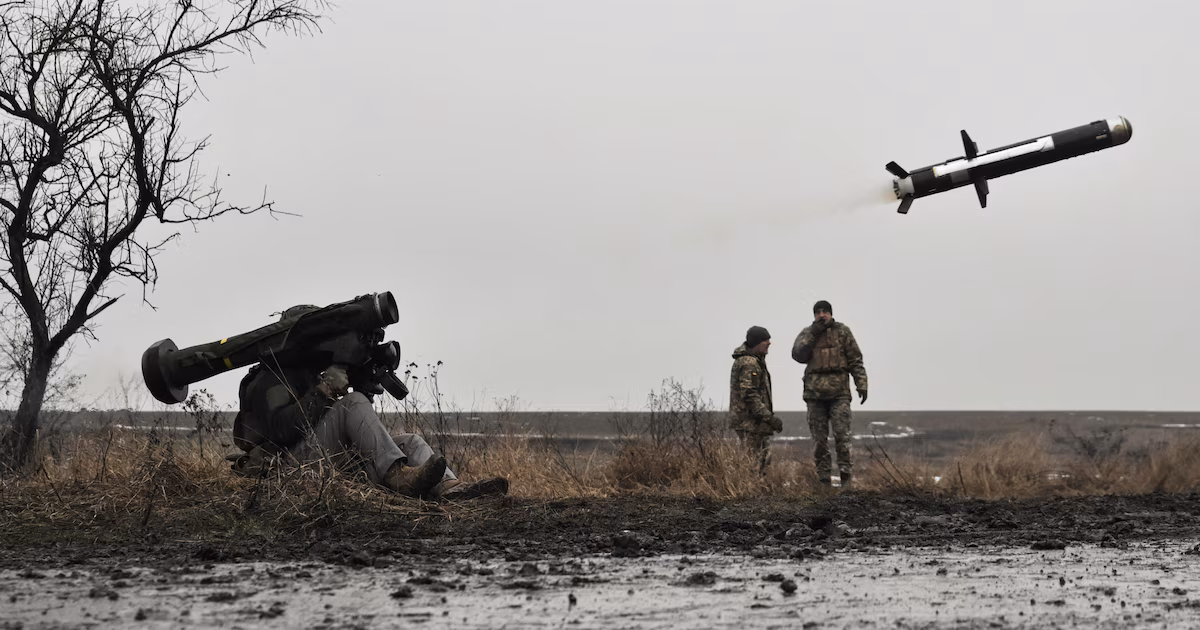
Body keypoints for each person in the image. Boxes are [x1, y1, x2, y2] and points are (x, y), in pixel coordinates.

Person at [230, 305, 508, 501]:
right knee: (352, 402)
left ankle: (451, 490)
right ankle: (397, 477)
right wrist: (325, 389)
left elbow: (340, 427)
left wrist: (358, 381)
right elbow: (282, 430)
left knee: (409, 442)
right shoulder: (273, 376)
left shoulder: (309, 372)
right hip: (284, 469)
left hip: (315, 462)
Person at [791, 300, 868, 488]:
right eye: (818, 312)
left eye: (825, 311)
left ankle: (846, 479)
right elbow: (798, 355)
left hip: (839, 393)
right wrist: (813, 335)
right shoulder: (807, 333)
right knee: (819, 440)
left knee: (842, 436)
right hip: (814, 394)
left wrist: (862, 384)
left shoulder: (843, 332)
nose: (822, 315)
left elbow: (856, 359)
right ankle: (824, 481)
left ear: (831, 314)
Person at [728, 325, 783, 474]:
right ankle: (749, 493)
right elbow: (749, 394)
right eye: (766, 340)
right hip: (749, 423)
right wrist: (768, 417)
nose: (769, 343)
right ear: (757, 342)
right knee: (753, 462)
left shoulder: (753, 361)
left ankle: (758, 492)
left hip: (754, 423)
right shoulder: (749, 363)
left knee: (762, 459)